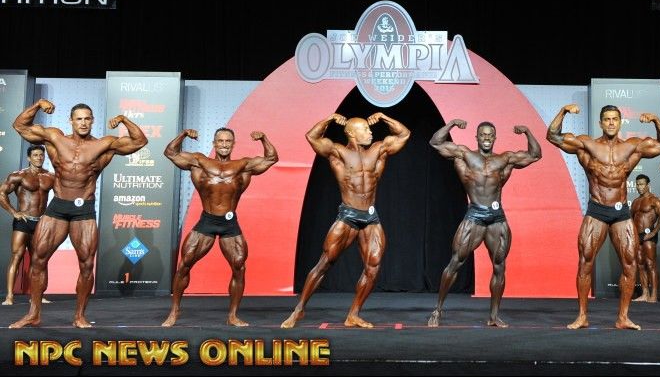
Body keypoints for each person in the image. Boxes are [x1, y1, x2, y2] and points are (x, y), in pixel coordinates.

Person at [9, 99, 147, 328]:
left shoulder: (104, 144)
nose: (83, 123)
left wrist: (124, 119)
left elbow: (140, 141)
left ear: (92, 121)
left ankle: (79, 316)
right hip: (58, 207)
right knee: (38, 259)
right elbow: (20, 126)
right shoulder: (55, 138)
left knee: (86, 265)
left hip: (84, 210)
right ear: (71, 121)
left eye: (87, 119)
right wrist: (38, 105)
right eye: (79, 119)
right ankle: (34, 313)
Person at [546, 104, 660, 330]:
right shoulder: (588, 145)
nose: (611, 123)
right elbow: (553, 136)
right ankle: (582, 316)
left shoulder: (632, 146)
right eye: (607, 119)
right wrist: (563, 111)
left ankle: (623, 317)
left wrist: (655, 119)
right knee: (585, 262)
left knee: (630, 264)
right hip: (597, 210)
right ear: (601, 123)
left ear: (620, 122)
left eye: (615, 119)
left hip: (620, 212)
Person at [281, 112, 410, 329]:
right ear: (351, 133)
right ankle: (299, 309)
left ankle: (353, 314)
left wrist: (383, 117)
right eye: (365, 129)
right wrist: (329, 120)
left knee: (373, 267)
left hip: (370, 217)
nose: (370, 132)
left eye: (369, 129)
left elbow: (404, 134)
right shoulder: (338, 152)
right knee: (325, 263)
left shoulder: (378, 149)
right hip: (348, 215)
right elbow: (312, 137)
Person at [427, 119, 542, 327]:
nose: (486, 138)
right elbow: (435, 143)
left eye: (490, 135)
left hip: (497, 218)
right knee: (455, 262)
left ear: (495, 137)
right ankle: (437, 310)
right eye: (483, 135)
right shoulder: (465, 155)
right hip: (474, 215)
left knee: (499, 266)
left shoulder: (504, 159)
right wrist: (451, 124)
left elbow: (535, 154)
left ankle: (494, 316)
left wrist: (527, 131)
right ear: (477, 137)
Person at [161, 127, 278, 327]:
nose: (224, 145)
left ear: (233, 144)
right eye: (220, 141)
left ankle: (232, 315)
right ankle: (174, 311)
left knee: (239, 266)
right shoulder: (199, 161)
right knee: (184, 264)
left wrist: (264, 138)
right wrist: (183, 135)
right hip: (207, 221)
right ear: (214, 144)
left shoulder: (243, 165)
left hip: (229, 223)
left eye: (228, 141)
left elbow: (271, 158)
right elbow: (170, 153)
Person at [0, 145, 55, 305]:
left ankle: (37, 295)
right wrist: (14, 212)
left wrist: (52, 216)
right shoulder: (19, 175)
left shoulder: (50, 176)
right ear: (29, 158)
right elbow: (2, 193)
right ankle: (9, 296)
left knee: (39, 260)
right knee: (16, 256)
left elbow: (61, 197)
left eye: (41, 155)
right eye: (35, 155)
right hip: (23, 222)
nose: (39, 157)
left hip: (41, 223)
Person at [630, 174, 660, 303]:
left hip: (649, 235)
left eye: (642, 184)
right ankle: (645, 293)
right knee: (640, 265)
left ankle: (654, 294)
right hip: (637, 236)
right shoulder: (635, 202)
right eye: (637, 184)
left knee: (651, 264)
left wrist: (654, 232)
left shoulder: (654, 200)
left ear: (648, 185)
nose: (639, 187)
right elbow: (631, 219)